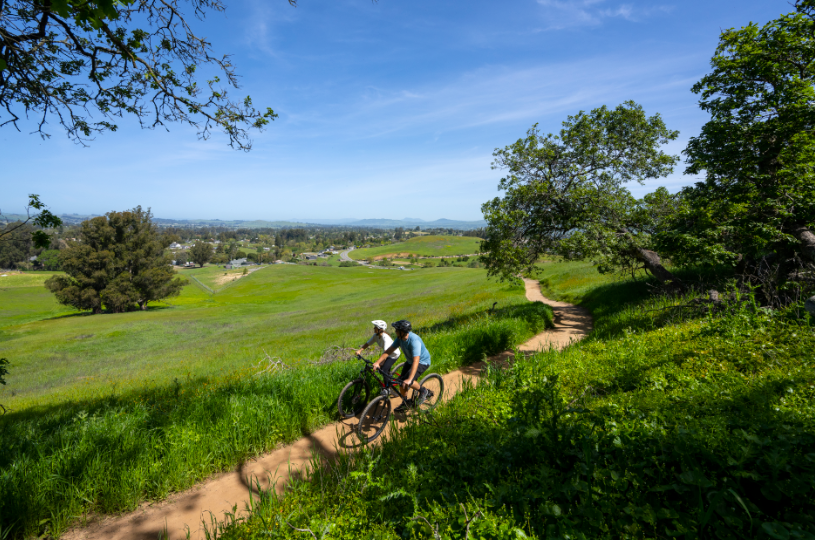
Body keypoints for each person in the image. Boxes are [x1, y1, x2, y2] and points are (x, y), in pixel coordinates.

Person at [373, 319, 431, 411]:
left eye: (397, 330)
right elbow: (388, 351)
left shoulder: (414, 341)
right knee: (401, 382)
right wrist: (377, 362)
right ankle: (405, 403)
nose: (395, 332)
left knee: (409, 381)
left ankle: (423, 391)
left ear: (402, 332)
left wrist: (409, 379)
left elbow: (416, 361)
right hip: (410, 361)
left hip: (422, 362)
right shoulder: (399, 339)